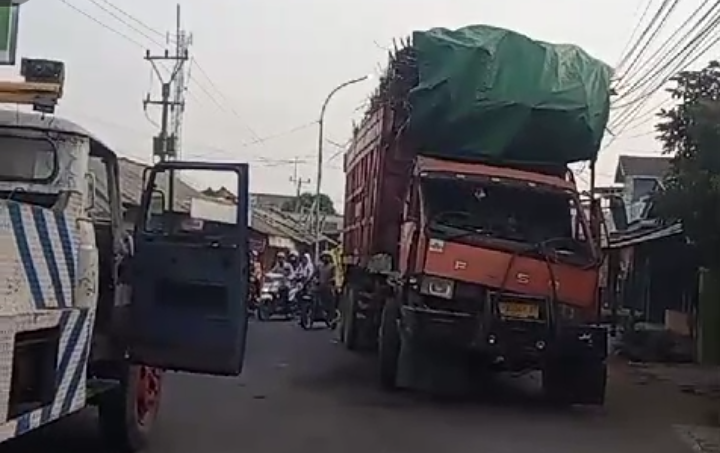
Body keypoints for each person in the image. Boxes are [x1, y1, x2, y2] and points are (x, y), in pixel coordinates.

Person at [316, 251, 337, 321]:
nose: (325, 258)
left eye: (327, 256)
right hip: (320, 287)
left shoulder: (332, 266)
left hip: (328, 287)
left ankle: (331, 314)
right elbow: (315, 275)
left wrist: (331, 280)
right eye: (324, 256)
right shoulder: (319, 266)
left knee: (330, 300)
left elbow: (334, 276)